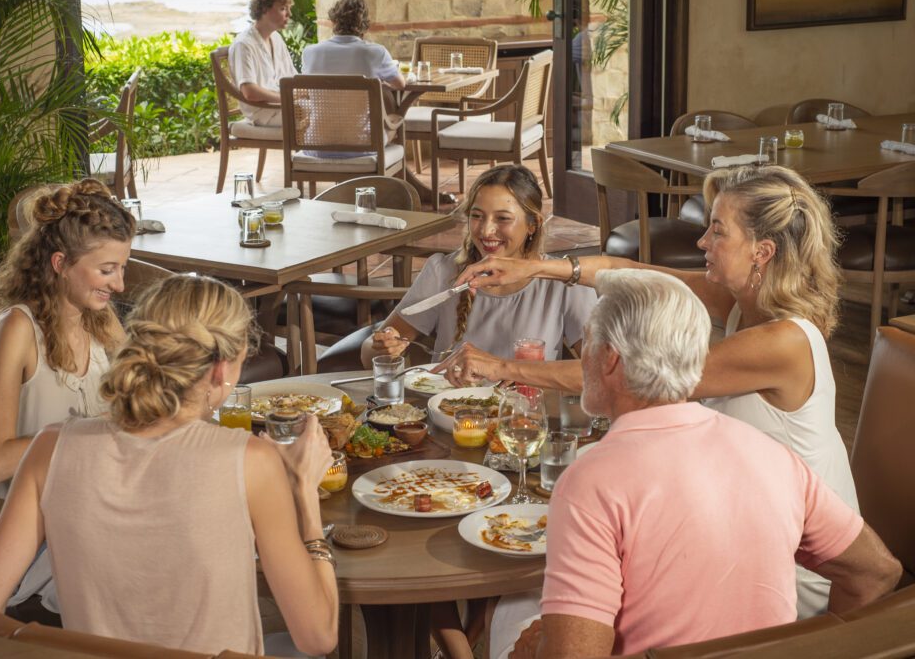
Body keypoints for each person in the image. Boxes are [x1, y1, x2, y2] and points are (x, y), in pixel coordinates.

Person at [442, 164, 858, 618]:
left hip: (786, 564)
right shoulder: (740, 300)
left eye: (717, 232)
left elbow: (630, 377)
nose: (702, 243)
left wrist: (496, 365)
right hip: (736, 516)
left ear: (762, 251)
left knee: (544, 597)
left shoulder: (783, 342)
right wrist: (535, 267)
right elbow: (633, 273)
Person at [505, 269, 899, 658]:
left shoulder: (589, 482)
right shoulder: (774, 457)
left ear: (610, 359)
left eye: (588, 342)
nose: (583, 355)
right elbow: (877, 571)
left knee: (510, 619)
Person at [0, 275, 339, 656]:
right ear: (220, 369)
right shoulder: (251, 460)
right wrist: (304, 495)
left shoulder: (48, 448)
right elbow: (318, 636)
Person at [0, 178, 135, 622]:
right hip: (44, 533)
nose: (120, 286)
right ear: (60, 263)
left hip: (103, 504)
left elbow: (135, 402)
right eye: (107, 270)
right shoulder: (17, 328)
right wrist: (92, 434)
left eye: (122, 269)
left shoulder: (100, 319)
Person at [361, 164, 596, 368]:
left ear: (533, 224)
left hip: (523, 415)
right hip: (450, 412)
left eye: (503, 218)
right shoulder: (442, 271)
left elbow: (600, 369)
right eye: (477, 216)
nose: (485, 231)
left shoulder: (566, 283)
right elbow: (369, 353)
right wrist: (383, 346)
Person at [228, 0, 297, 127]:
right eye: (283, 9)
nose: (289, 14)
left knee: (327, 108)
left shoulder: (276, 38)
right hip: (263, 113)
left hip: (282, 106)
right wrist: (285, 98)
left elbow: (292, 76)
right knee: (318, 117)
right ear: (265, 9)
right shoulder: (244, 44)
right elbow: (249, 92)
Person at [302, 0, 405, 90]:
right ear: (364, 24)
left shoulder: (310, 52)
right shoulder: (377, 52)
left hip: (321, 109)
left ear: (334, 21)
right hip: (364, 110)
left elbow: (305, 88)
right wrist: (380, 84)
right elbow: (400, 84)